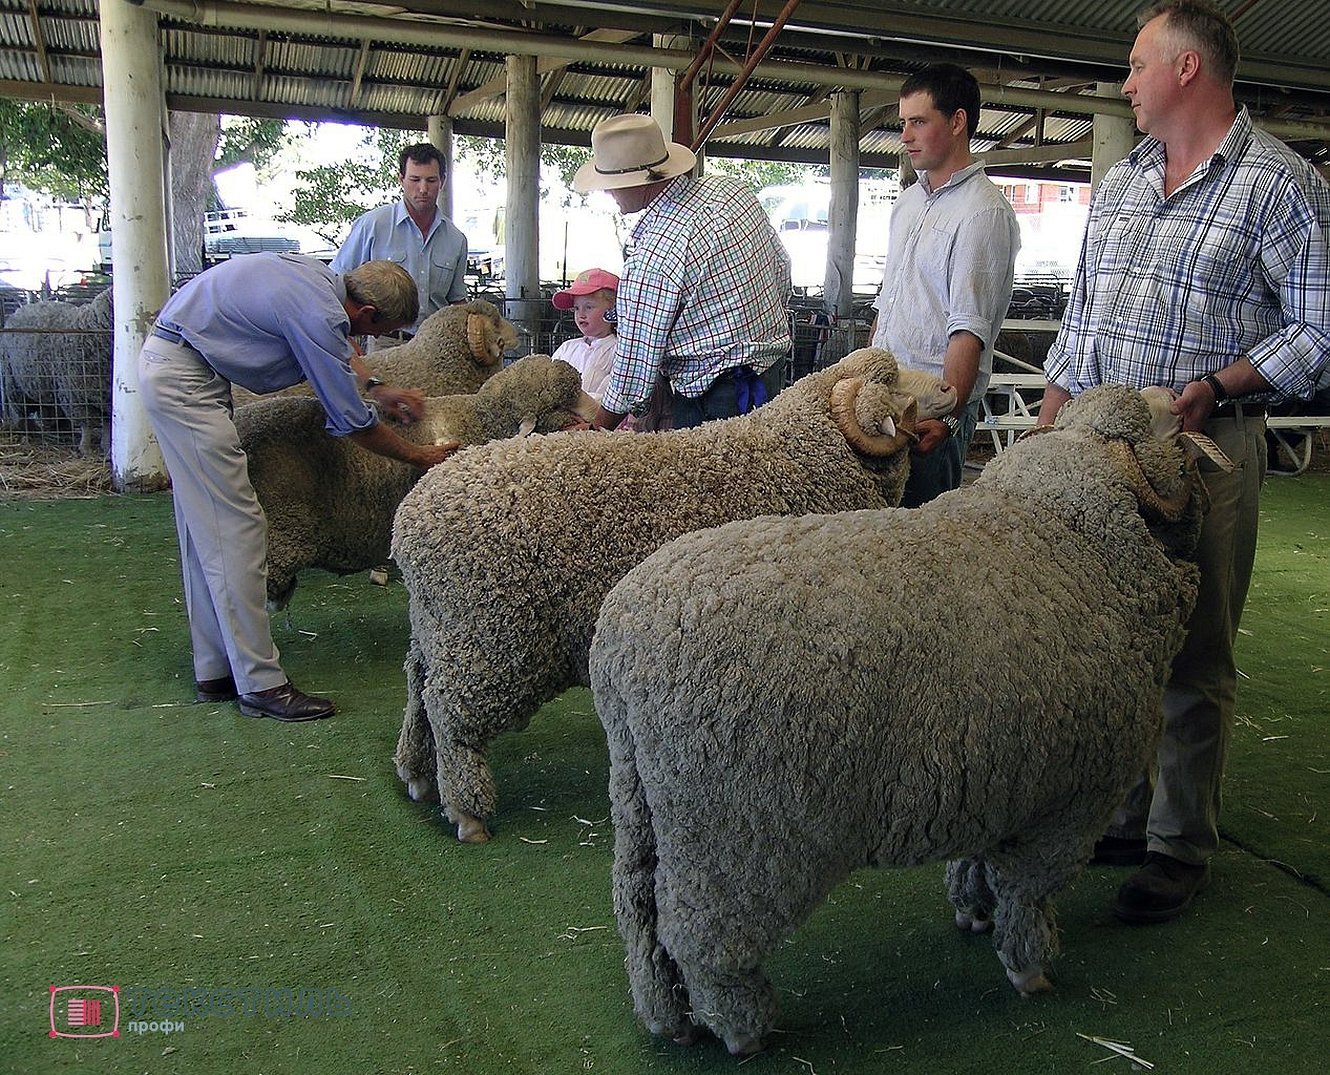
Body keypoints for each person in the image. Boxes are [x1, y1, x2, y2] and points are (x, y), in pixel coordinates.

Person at [1037, 0, 1330, 922]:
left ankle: (1178, 842)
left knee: (1195, 646)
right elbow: (1082, 320)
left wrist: (1221, 382)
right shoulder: (1122, 179)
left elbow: (1318, 325)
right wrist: (1046, 424)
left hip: (1202, 446)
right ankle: (1124, 813)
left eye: (1134, 64)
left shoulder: (1280, 184)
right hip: (1099, 448)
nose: (1124, 82)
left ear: (1187, 69)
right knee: (1109, 638)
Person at [138, 253, 461, 723]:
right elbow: (351, 421)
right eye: (376, 330)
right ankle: (261, 684)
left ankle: (215, 668)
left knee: (203, 528)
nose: (368, 340)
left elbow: (338, 349)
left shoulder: (320, 281)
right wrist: (420, 457)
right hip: (184, 381)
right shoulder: (320, 311)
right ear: (367, 313)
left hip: (182, 366)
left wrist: (377, 384)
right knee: (239, 530)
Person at [574, 113, 792, 430]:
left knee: (708, 478)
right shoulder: (733, 191)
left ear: (638, 181)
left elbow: (635, 368)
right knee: (759, 472)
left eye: (612, 185)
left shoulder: (654, 255)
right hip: (769, 374)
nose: (607, 193)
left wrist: (596, 430)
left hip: (712, 398)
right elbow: (781, 267)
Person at [870, 62, 1020, 507]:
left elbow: (968, 327)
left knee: (922, 541)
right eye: (903, 123)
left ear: (958, 122)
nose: (905, 136)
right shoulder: (908, 203)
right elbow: (889, 302)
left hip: (930, 404)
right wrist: (866, 371)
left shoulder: (982, 212)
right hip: (887, 391)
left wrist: (949, 417)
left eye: (919, 122)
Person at [332, 142, 469, 349]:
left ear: (442, 181)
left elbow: (457, 301)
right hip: (385, 341)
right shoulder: (373, 225)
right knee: (380, 383)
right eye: (415, 179)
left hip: (435, 346)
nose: (423, 189)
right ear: (401, 179)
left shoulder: (456, 239)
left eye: (431, 180)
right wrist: (344, 340)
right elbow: (336, 282)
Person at [550, 267, 620, 402]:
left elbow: (611, 399)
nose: (581, 314)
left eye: (589, 307)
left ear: (613, 308)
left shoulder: (618, 351)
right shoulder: (567, 348)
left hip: (598, 420)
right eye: (576, 308)